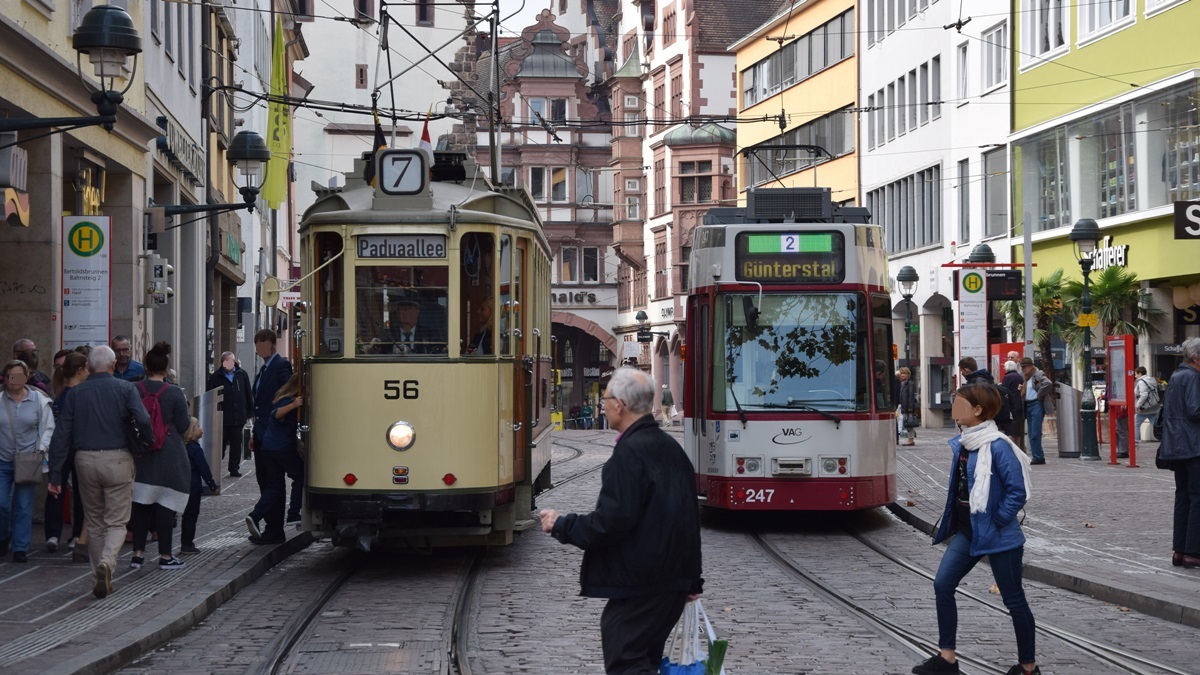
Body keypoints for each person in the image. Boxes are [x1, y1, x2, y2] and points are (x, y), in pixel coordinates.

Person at [539, 367, 703, 675]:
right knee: (644, 660)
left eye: (606, 398)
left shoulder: (629, 453)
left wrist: (562, 524)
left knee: (626, 659)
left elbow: (611, 522)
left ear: (620, 405)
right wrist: (691, 579)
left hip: (640, 583)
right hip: (671, 583)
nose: (602, 404)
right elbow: (688, 518)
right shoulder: (671, 448)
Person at [912, 382, 1037, 675]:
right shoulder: (964, 442)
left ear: (978, 410)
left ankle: (1029, 667)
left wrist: (996, 520)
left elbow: (1017, 492)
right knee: (942, 584)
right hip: (968, 533)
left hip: (1000, 537)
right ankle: (947, 659)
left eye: (960, 404)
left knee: (1014, 600)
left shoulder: (998, 446)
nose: (954, 409)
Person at [47, 345, 153, 599]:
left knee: (94, 521)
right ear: (114, 364)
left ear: (91, 367)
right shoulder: (126, 388)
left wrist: (55, 474)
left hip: (85, 460)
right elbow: (144, 420)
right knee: (117, 521)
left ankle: (98, 575)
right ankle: (107, 563)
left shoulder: (75, 393)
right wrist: (146, 444)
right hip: (118, 458)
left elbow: (61, 435)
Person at [128, 342, 192, 570]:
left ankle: (137, 554)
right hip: (169, 454)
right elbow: (184, 425)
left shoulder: (134, 389)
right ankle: (165, 556)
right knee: (166, 504)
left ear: (145, 366)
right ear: (166, 368)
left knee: (141, 503)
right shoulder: (174, 392)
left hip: (141, 453)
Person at [0, 360, 56, 563]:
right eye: (10, 376)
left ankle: (20, 547)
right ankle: (3, 535)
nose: (14, 380)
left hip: (28, 460)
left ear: (26, 377)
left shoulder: (39, 401)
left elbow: (48, 427)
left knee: (24, 505)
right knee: (2, 503)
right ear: (5, 379)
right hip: (2, 460)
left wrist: (41, 450)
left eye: (18, 376)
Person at [247, 373, 305, 545]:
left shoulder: (283, 396)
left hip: (269, 447)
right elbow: (276, 414)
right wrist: (295, 405)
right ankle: (294, 514)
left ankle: (255, 516)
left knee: (275, 485)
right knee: (300, 475)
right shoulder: (290, 400)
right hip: (281, 447)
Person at [248, 329, 293, 541]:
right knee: (264, 480)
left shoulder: (280, 366)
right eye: (258, 345)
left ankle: (275, 529)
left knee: (274, 480)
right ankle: (271, 529)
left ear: (273, 344)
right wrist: (254, 434)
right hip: (261, 434)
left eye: (264, 344)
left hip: (273, 435)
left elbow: (287, 394)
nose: (260, 349)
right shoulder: (263, 369)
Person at [1159, 337, 1200, 569]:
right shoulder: (1193, 377)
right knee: (1197, 499)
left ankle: (1180, 550)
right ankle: (1193, 552)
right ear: (1195, 358)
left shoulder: (1176, 375)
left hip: (1177, 446)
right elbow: (1195, 411)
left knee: (1183, 498)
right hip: (1194, 446)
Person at [45, 352, 91, 556]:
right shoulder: (80, 394)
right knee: (80, 493)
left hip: (61, 447)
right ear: (81, 370)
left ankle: (53, 535)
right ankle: (73, 536)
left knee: (57, 488)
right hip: (77, 447)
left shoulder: (61, 395)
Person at [206, 351, 253, 477]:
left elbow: (248, 393)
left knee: (236, 443)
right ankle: (214, 467)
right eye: (226, 361)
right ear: (222, 362)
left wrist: (250, 411)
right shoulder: (216, 377)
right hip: (222, 416)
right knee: (220, 444)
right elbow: (210, 396)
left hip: (238, 416)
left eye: (231, 361)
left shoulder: (242, 374)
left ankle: (234, 467)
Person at [180, 417, 217, 554]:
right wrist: (211, 483)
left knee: (185, 516)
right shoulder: (195, 449)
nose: (201, 429)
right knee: (191, 516)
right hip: (193, 487)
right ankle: (187, 544)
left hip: (183, 487)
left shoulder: (183, 447)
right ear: (192, 431)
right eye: (198, 426)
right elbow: (203, 468)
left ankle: (186, 542)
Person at [959, 357, 1015, 437]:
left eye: (961, 371)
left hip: (981, 421)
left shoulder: (979, 382)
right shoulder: (981, 380)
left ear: (966, 370)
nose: (962, 373)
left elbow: (983, 401)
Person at [1018, 358, 1052, 465]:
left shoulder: (1037, 374)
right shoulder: (1025, 377)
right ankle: (1037, 456)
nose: (1022, 369)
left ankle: (1038, 456)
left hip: (1036, 404)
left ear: (1030, 366)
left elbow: (1048, 383)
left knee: (1035, 432)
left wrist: (1039, 395)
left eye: (1024, 366)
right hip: (1028, 405)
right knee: (1031, 432)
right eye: (1022, 367)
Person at [1002, 361, 1027, 452]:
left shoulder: (1007, 377)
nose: (1004, 368)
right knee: (1018, 431)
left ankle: (1012, 451)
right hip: (1019, 405)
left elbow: (1004, 390)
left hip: (1010, 406)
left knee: (1010, 430)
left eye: (1004, 367)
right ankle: (1019, 450)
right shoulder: (1020, 377)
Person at [1133, 366, 1162, 446]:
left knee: (1136, 424)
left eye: (1136, 374)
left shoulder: (1141, 382)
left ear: (1140, 373)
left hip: (1144, 409)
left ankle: (1135, 441)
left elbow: (1144, 395)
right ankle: (1163, 439)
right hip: (1154, 407)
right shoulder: (1152, 380)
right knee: (1155, 424)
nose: (1135, 376)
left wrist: (1137, 405)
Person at [899, 366, 918, 446]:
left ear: (908, 374)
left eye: (904, 373)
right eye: (901, 374)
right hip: (904, 406)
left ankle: (910, 439)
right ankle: (911, 438)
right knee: (907, 423)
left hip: (907, 407)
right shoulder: (903, 383)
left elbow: (910, 396)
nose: (902, 375)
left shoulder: (909, 383)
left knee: (909, 423)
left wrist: (910, 407)